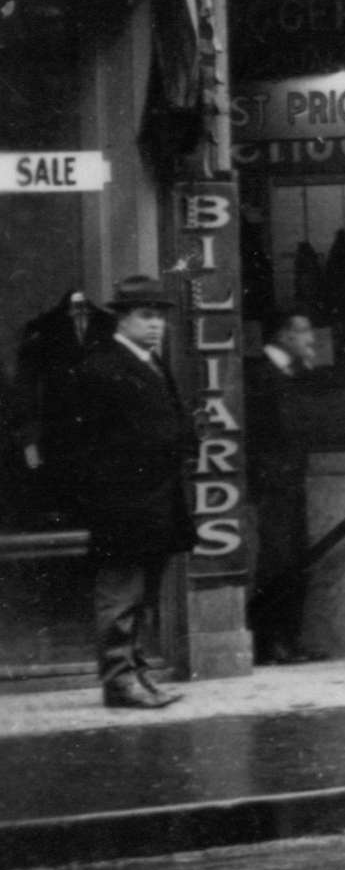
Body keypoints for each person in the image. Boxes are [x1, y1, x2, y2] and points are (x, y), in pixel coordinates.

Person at [50, 283, 198, 711]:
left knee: (143, 594)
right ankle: (118, 681)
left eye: (160, 317)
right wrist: (103, 495)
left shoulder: (150, 363)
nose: (156, 326)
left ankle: (134, 672)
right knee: (119, 596)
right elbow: (78, 444)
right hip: (122, 503)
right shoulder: (99, 367)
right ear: (122, 319)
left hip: (156, 499)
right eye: (145, 317)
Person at [242, 312, 334, 664]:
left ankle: (287, 640)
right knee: (277, 560)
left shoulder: (294, 372)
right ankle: (270, 642)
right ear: (282, 335)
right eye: (303, 330)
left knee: (294, 558)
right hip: (271, 483)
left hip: (290, 480)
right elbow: (287, 425)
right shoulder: (261, 374)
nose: (311, 337)